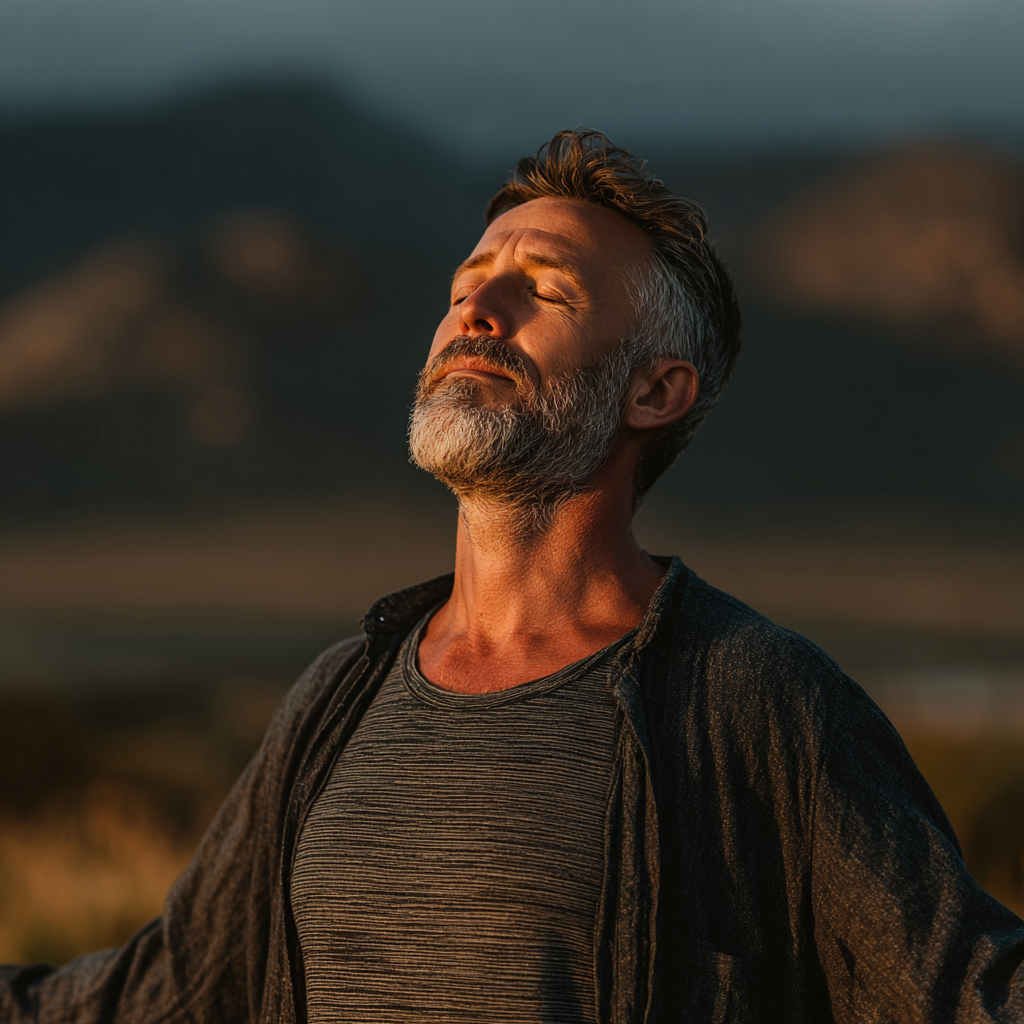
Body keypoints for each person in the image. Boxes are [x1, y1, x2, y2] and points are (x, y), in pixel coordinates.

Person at [3, 128, 1023, 1024]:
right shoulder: (335, 698)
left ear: (656, 390)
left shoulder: (756, 702)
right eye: (463, 286)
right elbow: (167, 994)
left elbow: (966, 990)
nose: (475, 309)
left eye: (543, 290)